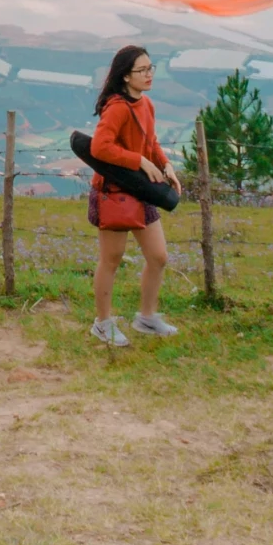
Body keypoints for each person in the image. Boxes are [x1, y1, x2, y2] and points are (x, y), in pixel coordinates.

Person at [85, 45, 183, 347]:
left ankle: (147, 317)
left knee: (158, 256)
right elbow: (99, 148)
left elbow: (150, 141)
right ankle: (102, 324)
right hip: (113, 192)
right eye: (143, 70)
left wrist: (166, 165)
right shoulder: (116, 107)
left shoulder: (146, 104)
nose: (150, 74)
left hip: (141, 191)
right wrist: (139, 161)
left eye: (151, 68)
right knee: (111, 259)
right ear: (126, 76)